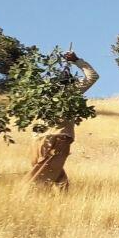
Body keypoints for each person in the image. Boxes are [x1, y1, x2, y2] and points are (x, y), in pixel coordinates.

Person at [25, 50, 99, 188]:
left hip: (45, 138)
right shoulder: (68, 91)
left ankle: (44, 197)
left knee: (47, 171)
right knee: (44, 171)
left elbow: (92, 77)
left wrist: (75, 60)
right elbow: (92, 76)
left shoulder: (47, 92)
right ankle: (31, 195)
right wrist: (77, 60)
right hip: (51, 137)